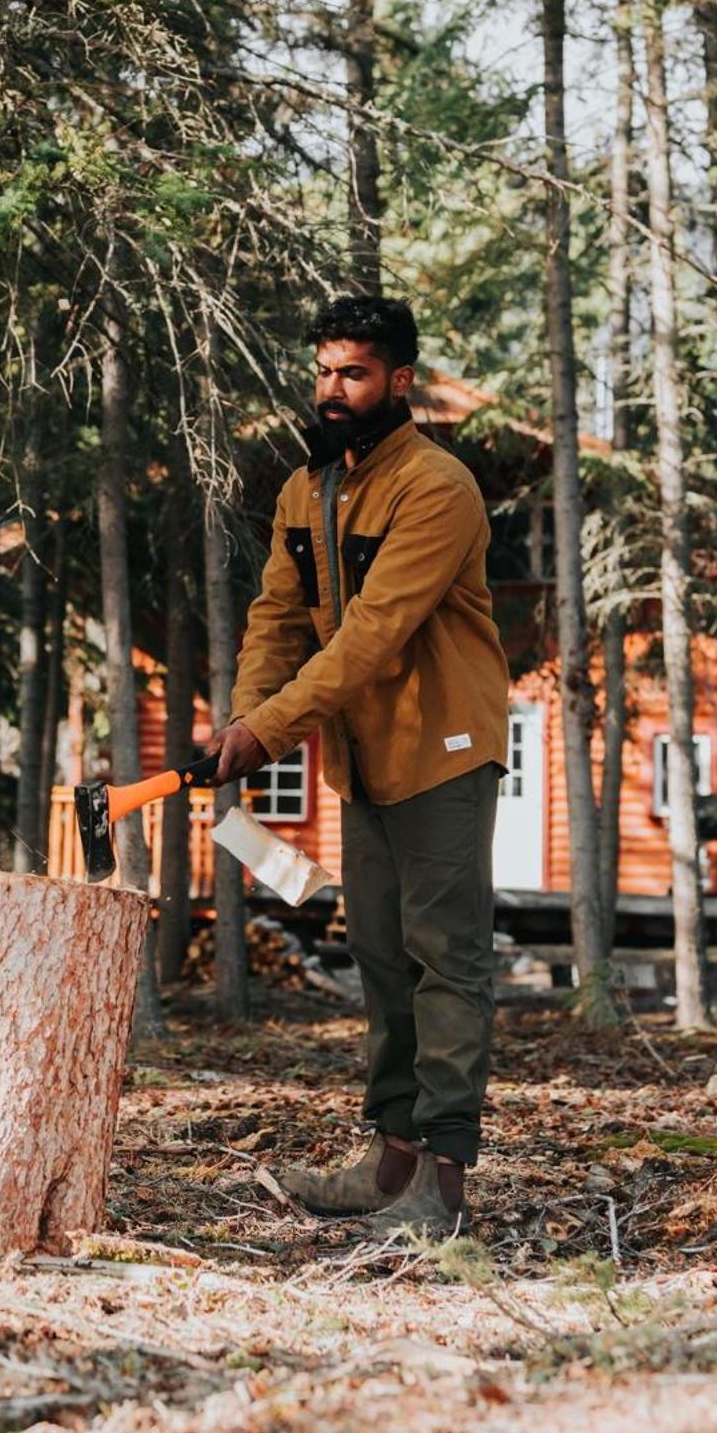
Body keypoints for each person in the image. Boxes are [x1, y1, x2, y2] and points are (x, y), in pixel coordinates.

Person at [210, 294, 510, 1240]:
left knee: (445, 960)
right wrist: (243, 721)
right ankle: (388, 1168)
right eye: (324, 372)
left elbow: (375, 635)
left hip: (442, 750)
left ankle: (444, 1187)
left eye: (354, 374)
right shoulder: (308, 489)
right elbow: (277, 619)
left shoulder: (436, 487)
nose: (332, 391)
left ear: (399, 381)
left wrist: (271, 731)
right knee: (381, 957)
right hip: (363, 760)